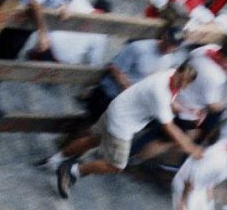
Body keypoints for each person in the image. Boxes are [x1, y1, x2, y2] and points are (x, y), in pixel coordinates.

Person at [55, 60, 201, 198]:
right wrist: (190, 147)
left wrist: (188, 111)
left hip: (118, 108)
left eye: (185, 83)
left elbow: (171, 102)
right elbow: (169, 127)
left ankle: (54, 160)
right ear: (177, 72)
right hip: (122, 123)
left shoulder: (169, 74)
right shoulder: (160, 92)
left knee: (93, 140)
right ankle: (72, 171)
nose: (181, 85)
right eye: (181, 80)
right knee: (116, 165)